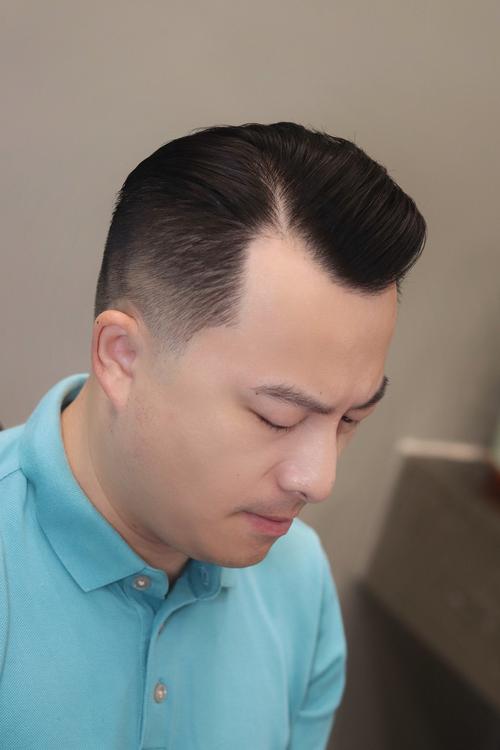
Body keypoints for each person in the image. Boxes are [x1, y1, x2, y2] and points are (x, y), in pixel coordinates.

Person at [0, 122, 426, 749]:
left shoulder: (298, 582)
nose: (318, 480)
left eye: (350, 420)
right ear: (122, 358)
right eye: (277, 417)